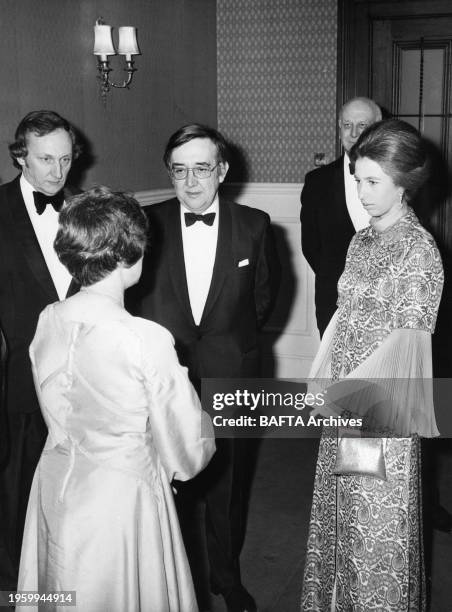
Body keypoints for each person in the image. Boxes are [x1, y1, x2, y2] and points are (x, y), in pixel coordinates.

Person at [18, 186, 215, 612]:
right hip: (121, 498)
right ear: (131, 254)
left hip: (53, 481)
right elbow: (187, 444)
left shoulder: (49, 317)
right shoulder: (146, 339)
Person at [130, 124, 281, 612]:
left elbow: (263, 302)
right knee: (161, 482)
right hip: (161, 376)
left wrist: (227, 346)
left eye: (201, 169)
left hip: (230, 371)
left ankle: (226, 574)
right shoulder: (143, 223)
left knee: (227, 483)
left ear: (222, 170)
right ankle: (165, 578)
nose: (191, 182)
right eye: (179, 171)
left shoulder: (255, 225)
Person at [301, 120, 443, 610]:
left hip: (378, 411)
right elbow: (343, 318)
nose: (360, 192)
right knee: (341, 513)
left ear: (404, 182)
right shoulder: (362, 240)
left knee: (371, 521)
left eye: (372, 181)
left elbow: (409, 353)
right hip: (345, 400)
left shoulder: (419, 251)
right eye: (357, 179)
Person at [0, 110, 81, 590]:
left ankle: (63, 576)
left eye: (66, 159)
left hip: (79, 376)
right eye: (46, 159)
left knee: (70, 484)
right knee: (16, 487)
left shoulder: (83, 211)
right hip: (19, 378)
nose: (57, 171)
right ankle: (15, 586)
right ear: (20, 157)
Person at [300, 97, 382, 336]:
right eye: (347, 125)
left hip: (386, 302)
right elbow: (311, 246)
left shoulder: (397, 180)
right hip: (333, 302)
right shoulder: (317, 182)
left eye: (362, 126)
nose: (354, 133)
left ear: (378, 127)